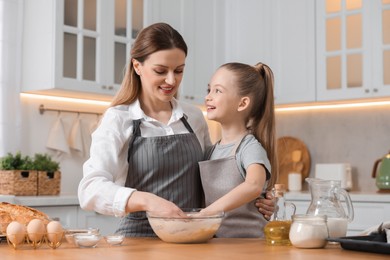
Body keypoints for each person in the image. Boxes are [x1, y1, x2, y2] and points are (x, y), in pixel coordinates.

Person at [78, 22, 274, 237]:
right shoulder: (119, 119)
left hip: (192, 238)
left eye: (179, 71)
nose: (171, 81)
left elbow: (214, 181)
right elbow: (90, 189)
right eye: (160, 71)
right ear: (137, 67)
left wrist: (260, 201)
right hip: (139, 241)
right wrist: (147, 200)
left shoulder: (194, 117)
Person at [199, 62, 277, 238]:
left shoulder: (249, 147)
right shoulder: (211, 151)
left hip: (250, 246)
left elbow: (254, 185)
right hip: (218, 245)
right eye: (208, 90)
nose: (208, 97)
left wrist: (206, 213)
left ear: (242, 103)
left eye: (217, 91)